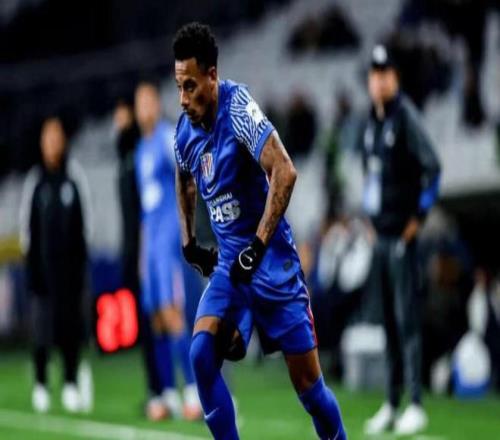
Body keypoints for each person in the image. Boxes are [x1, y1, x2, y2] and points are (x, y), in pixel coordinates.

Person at [173, 22, 346, 440]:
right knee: (201, 354)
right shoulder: (185, 132)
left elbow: (284, 170)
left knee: (310, 390)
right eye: (179, 87)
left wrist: (258, 245)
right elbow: (184, 178)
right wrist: (190, 242)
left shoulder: (238, 109)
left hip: (272, 266)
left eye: (191, 86)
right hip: (233, 268)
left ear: (212, 76)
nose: (183, 99)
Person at [360, 45, 441, 436]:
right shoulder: (371, 123)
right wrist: (369, 217)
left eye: (385, 74)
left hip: (402, 239)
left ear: (395, 78)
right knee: (389, 325)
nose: (379, 81)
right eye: (374, 74)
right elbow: (370, 177)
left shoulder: (405, 117)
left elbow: (433, 168)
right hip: (381, 236)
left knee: (407, 321)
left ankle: (416, 403)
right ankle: (392, 404)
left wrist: (418, 219)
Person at [134, 81, 202, 420]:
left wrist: (184, 231)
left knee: (174, 314)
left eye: (148, 101)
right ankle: (169, 393)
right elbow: (145, 210)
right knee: (157, 319)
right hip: (151, 247)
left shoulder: (165, 138)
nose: (143, 109)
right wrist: (142, 255)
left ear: (157, 105)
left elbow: (186, 178)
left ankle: (193, 391)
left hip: (170, 242)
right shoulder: (140, 150)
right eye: (139, 103)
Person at [19, 116, 92, 414]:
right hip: (42, 274)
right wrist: (32, 267)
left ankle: (71, 383)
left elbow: (86, 224)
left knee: (70, 330)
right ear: (41, 143)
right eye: (47, 137)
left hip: (70, 275)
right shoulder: (35, 181)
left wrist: (81, 265)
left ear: (63, 141)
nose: (52, 143)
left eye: (56, 137)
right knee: (41, 331)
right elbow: (26, 229)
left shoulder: (74, 177)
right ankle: (41, 384)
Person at [113, 100, 164, 420]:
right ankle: (157, 389)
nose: (118, 123)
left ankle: (171, 389)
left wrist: (145, 253)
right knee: (147, 326)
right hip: (133, 251)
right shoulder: (124, 159)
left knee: (162, 321)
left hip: (149, 250)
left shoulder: (140, 156)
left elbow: (146, 211)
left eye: (122, 116)